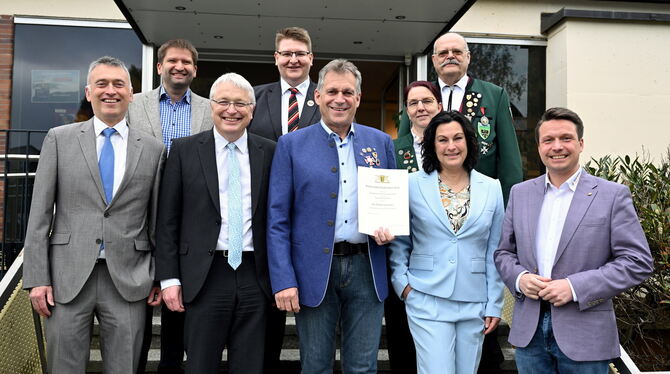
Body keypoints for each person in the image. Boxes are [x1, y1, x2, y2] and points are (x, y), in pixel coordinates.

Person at [23, 56, 165, 374]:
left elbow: (156, 220)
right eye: (101, 84)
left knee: (125, 367)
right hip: (66, 278)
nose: (110, 91)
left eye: (118, 84)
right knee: (63, 366)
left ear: (131, 94)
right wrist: (36, 279)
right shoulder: (59, 140)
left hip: (129, 278)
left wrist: (157, 273)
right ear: (89, 92)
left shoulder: (153, 149)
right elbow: (39, 216)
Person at [494, 107, 654, 374]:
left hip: (585, 334)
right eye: (548, 140)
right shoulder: (520, 193)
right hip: (529, 334)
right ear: (539, 147)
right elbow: (503, 253)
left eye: (566, 138)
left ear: (580, 144)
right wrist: (520, 279)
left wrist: (574, 287)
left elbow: (637, 262)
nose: (557, 146)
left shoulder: (612, 195)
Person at [267, 59, 396, 374]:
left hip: (368, 265)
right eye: (333, 91)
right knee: (315, 366)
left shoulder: (381, 142)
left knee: (363, 367)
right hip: (313, 272)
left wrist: (390, 228)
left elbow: (394, 203)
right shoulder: (291, 145)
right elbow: (277, 219)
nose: (341, 98)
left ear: (358, 98)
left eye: (348, 92)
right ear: (318, 96)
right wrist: (283, 279)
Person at [156, 73, 275, 374]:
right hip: (204, 276)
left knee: (250, 366)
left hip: (255, 275)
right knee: (200, 365)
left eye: (240, 103)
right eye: (223, 102)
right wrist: (169, 278)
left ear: (252, 109)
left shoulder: (271, 152)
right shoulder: (183, 150)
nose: (231, 110)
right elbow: (167, 219)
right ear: (211, 106)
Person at [389, 111, 504, 374]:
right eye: (442, 140)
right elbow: (400, 241)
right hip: (426, 296)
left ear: (469, 142)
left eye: (457, 138)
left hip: (475, 300)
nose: (451, 146)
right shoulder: (411, 185)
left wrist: (494, 303)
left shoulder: (492, 187)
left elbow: (495, 250)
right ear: (432, 145)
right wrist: (403, 285)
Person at [127, 38, 213, 374]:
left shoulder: (210, 109)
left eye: (187, 62)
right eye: (172, 61)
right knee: (137, 315)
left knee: (180, 306)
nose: (180, 66)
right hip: (139, 217)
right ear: (160, 66)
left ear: (195, 69)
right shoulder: (134, 105)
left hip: (188, 222)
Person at [385, 80, 443, 373]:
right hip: (402, 261)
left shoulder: (456, 148)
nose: (420, 107)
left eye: (427, 101)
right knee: (403, 345)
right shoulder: (391, 149)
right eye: (413, 103)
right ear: (406, 112)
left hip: (448, 264)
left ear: (439, 105)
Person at [249, 26, 320, 141]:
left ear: (310, 58)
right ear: (276, 58)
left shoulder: (328, 97)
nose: (293, 60)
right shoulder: (253, 97)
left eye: (300, 54)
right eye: (286, 54)